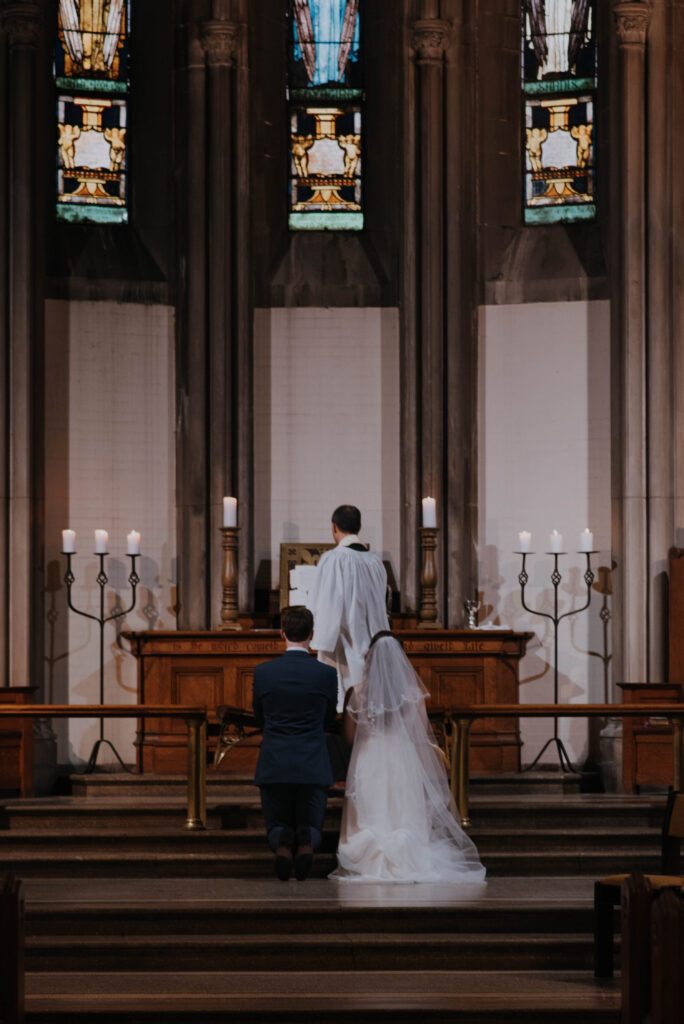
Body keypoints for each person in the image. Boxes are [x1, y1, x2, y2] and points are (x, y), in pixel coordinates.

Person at [330, 632, 487, 883]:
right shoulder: (412, 694)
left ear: (370, 659)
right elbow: (419, 735)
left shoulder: (357, 693)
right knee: (401, 812)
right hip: (401, 760)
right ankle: (408, 855)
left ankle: (368, 859)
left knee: (373, 813)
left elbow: (349, 738)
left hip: (370, 760)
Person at [253, 605, 338, 881]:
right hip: (312, 760)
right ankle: (305, 841)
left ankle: (283, 842)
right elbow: (328, 717)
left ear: (282, 633)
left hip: (275, 760)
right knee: (313, 821)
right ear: (311, 635)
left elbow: (259, 716)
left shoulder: (263, 672)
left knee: (275, 821)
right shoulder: (325, 674)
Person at [306, 504, 389, 710]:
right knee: (370, 708)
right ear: (359, 527)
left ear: (334, 527)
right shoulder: (376, 562)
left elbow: (322, 604)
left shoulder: (333, 559)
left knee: (344, 707)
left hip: (341, 647)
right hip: (373, 647)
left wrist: (314, 637)